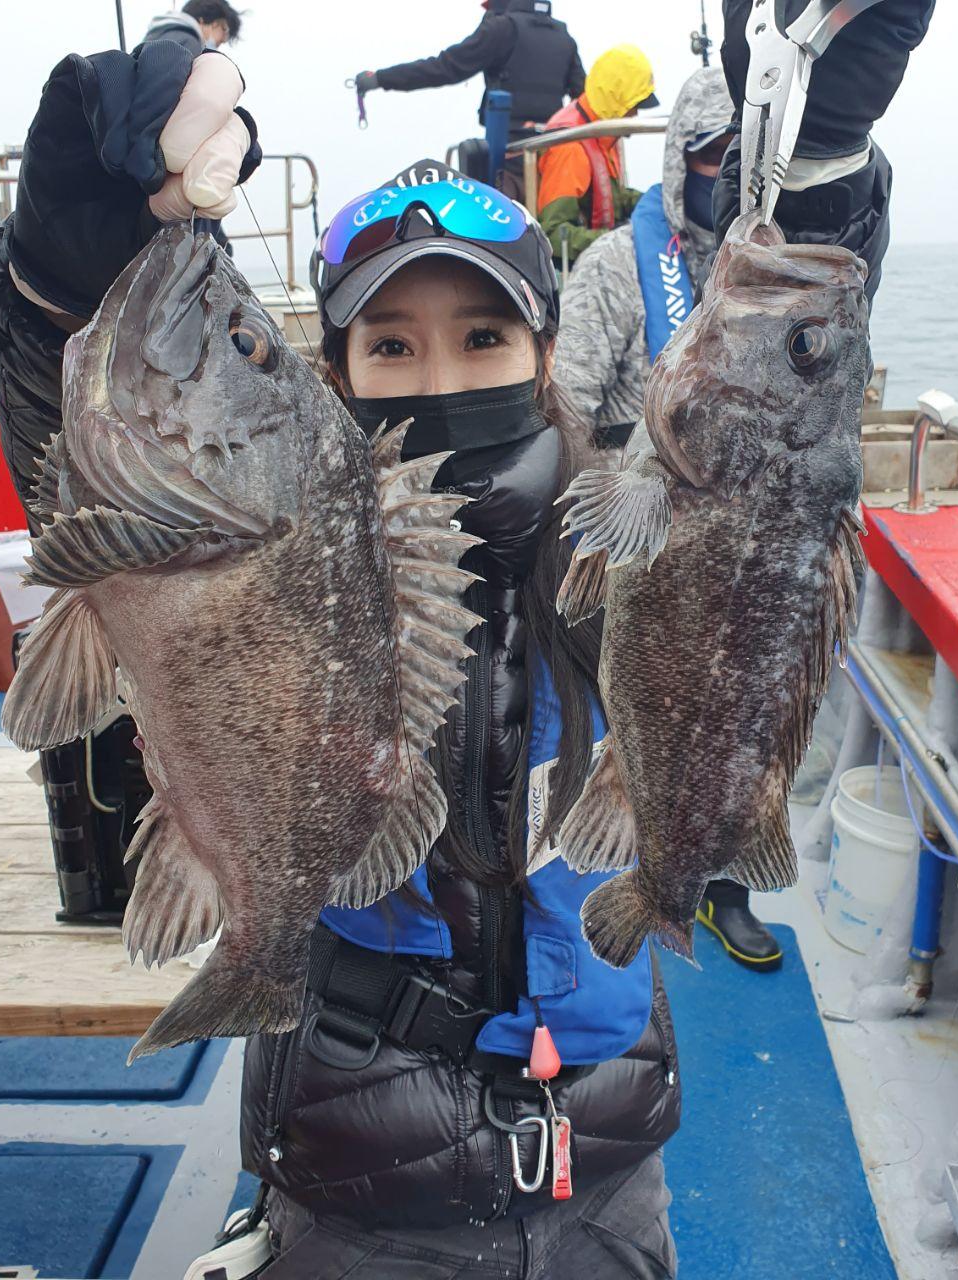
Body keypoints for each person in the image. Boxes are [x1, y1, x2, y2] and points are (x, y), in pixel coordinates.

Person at [0, 3, 932, 1272]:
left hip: (606, 1156)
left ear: (545, 352)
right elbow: (97, 452)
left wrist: (817, 170)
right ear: (330, 378)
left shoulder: (612, 529)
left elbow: (766, 472)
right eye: (389, 344)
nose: (441, 377)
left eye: (482, 336)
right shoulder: (281, 525)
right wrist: (61, 273)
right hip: (349, 1164)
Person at [554, 66, 782, 969]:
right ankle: (606, 866)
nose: (723, 179)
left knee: (747, 723)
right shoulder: (618, 264)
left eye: (743, 164)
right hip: (637, 532)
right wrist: (609, 500)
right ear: (679, 161)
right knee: (631, 719)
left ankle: (720, 889)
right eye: (711, 157)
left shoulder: (773, 284)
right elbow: (563, 396)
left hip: (741, 552)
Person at [353, 0, 584, 142]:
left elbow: (445, 68)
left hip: (510, 152)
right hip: (555, 150)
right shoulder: (564, 37)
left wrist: (381, 79)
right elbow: (583, 95)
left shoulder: (502, 28)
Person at [535, 43, 657, 266]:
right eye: (635, 105)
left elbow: (612, 197)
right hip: (579, 272)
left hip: (602, 258)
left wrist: (657, 202)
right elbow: (553, 234)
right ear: (617, 100)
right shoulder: (571, 147)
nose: (636, 114)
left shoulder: (602, 133)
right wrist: (621, 240)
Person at [143, 0, 243, 55]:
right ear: (202, 21)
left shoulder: (163, 35)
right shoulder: (187, 42)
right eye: (224, 29)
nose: (224, 39)